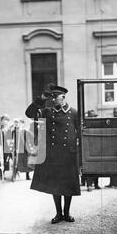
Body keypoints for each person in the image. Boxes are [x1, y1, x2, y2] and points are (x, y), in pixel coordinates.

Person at [26, 83, 81, 223]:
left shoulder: (74, 112)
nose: (54, 100)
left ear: (63, 97)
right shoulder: (47, 112)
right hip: (53, 154)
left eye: (56, 97)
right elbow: (29, 114)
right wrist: (41, 99)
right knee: (55, 184)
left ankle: (67, 213)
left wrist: (79, 154)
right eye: (52, 97)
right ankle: (58, 213)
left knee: (68, 184)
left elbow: (80, 133)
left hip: (68, 154)